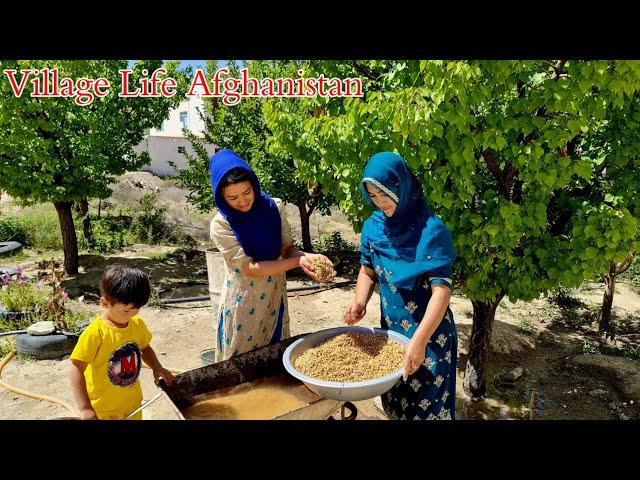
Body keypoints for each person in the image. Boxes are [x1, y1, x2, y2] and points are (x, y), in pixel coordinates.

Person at [343, 151, 457, 420]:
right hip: (391, 337)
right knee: (396, 406)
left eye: (385, 194)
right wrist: (359, 302)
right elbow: (367, 270)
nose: (380, 202)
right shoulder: (374, 228)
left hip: (430, 339)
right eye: (372, 195)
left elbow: (442, 292)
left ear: (402, 187)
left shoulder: (431, 231)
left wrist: (418, 342)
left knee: (426, 408)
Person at [209, 149, 333, 362]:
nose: (242, 201)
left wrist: (310, 258)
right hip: (243, 302)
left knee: (275, 360)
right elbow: (250, 268)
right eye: (233, 197)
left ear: (254, 184)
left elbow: (286, 249)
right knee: (242, 366)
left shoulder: (274, 207)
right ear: (221, 197)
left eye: (247, 192)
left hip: (274, 297)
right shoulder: (221, 225)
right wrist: (296, 261)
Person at [69, 265, 173, 420]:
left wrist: (157, 368)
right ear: (104, 303)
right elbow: (75, 367)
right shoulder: (96, 333)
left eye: (137, 308)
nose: (133, 313)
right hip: (103, 411)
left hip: (133, 404)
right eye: (126, 310)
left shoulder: (137, 325)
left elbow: (145, 348)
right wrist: (85, 408)